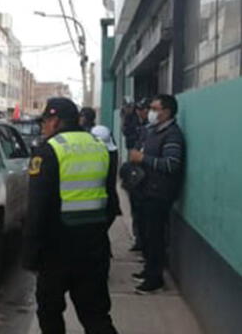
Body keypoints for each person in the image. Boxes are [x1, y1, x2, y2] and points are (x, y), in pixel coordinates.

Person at [22, 97, 119, 334]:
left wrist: (31, 255)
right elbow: (110, 202)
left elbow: (37, 209)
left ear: (55, 121)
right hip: (94, 247)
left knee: (50, 312)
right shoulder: (99, 146)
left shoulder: (48, 150)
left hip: (56, 251)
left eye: (44, 121)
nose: (42, 127)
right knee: (96, 316)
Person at [129, 94, 184, 294]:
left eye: (154, 108)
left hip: (159, 194)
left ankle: (155, 280)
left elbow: (171, 164)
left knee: (155, 237)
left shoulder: (172, 135)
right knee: (146, 234)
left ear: (166, 111)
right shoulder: (152, 132)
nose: (150, 112)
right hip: (145, 190)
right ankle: (148, 270)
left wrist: (143, 158)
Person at [124, 98, 150, 252]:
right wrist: (127, 116)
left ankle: (144, 244)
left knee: (145, 215)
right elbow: (128, 135)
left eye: (144, 109)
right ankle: (139, 240)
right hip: (136, 174)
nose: (141, 112)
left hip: (146, 176)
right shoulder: (137, 124)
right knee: (136, 211)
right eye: (138, 109)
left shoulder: (152, 129)